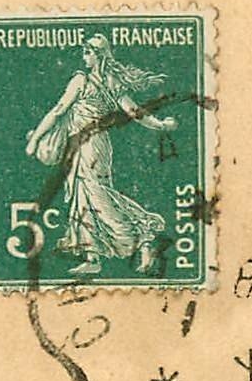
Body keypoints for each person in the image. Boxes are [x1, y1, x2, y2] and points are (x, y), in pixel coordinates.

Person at [24, 34, 181, 276]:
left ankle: (143, 236)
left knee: (95, 197)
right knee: (87, 197)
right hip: (99, 146)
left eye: (87, 52)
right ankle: (93, 256)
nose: (83, 57)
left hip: (86, 146)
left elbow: (58, 111)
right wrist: (159, 125)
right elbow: (135, 112)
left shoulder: (81, 80)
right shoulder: (112, 82)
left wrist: (35, 139)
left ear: (98, 55)